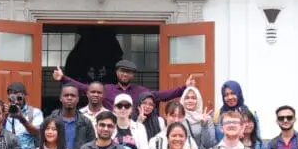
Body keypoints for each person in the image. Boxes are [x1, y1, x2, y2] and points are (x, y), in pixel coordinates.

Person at [53, 59, 193, 111]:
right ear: (116, 72)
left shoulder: (140, 91)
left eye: (129, 72)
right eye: (122, 71)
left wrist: (184, 88)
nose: (125, 74)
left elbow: (161, 95)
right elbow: (84, 88)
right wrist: (62, 78)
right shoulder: (106, 89)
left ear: (133, 75)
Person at [4, 81, 44, 149]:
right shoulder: (4, 112)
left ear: (24, 96)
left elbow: (37, 132)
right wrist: (3, 117)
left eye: (18, 97)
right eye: (12, 97)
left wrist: (22, 119)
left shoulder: (34, 113)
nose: (16, 101)